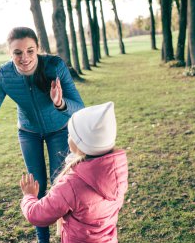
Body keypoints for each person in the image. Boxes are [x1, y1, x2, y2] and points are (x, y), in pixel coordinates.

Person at [0, 27, 84, 242]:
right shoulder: (5, 74)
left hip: (59, 130)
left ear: (38, 49)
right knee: (37, 187)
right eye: (17, 53)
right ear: (10, 53)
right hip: (28, 133)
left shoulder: (55, 66)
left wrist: (60, 103)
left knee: (60, 184)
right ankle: (43, 240)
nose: (24, 58)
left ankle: (67, 236)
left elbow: (79, 107)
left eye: (30, 51)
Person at [20, 102, 129, 243]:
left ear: (81, 143)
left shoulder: (71, 185)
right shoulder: (117, 171)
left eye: (71, 134)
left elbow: (37, 215)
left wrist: (29, 196)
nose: (68, 137)